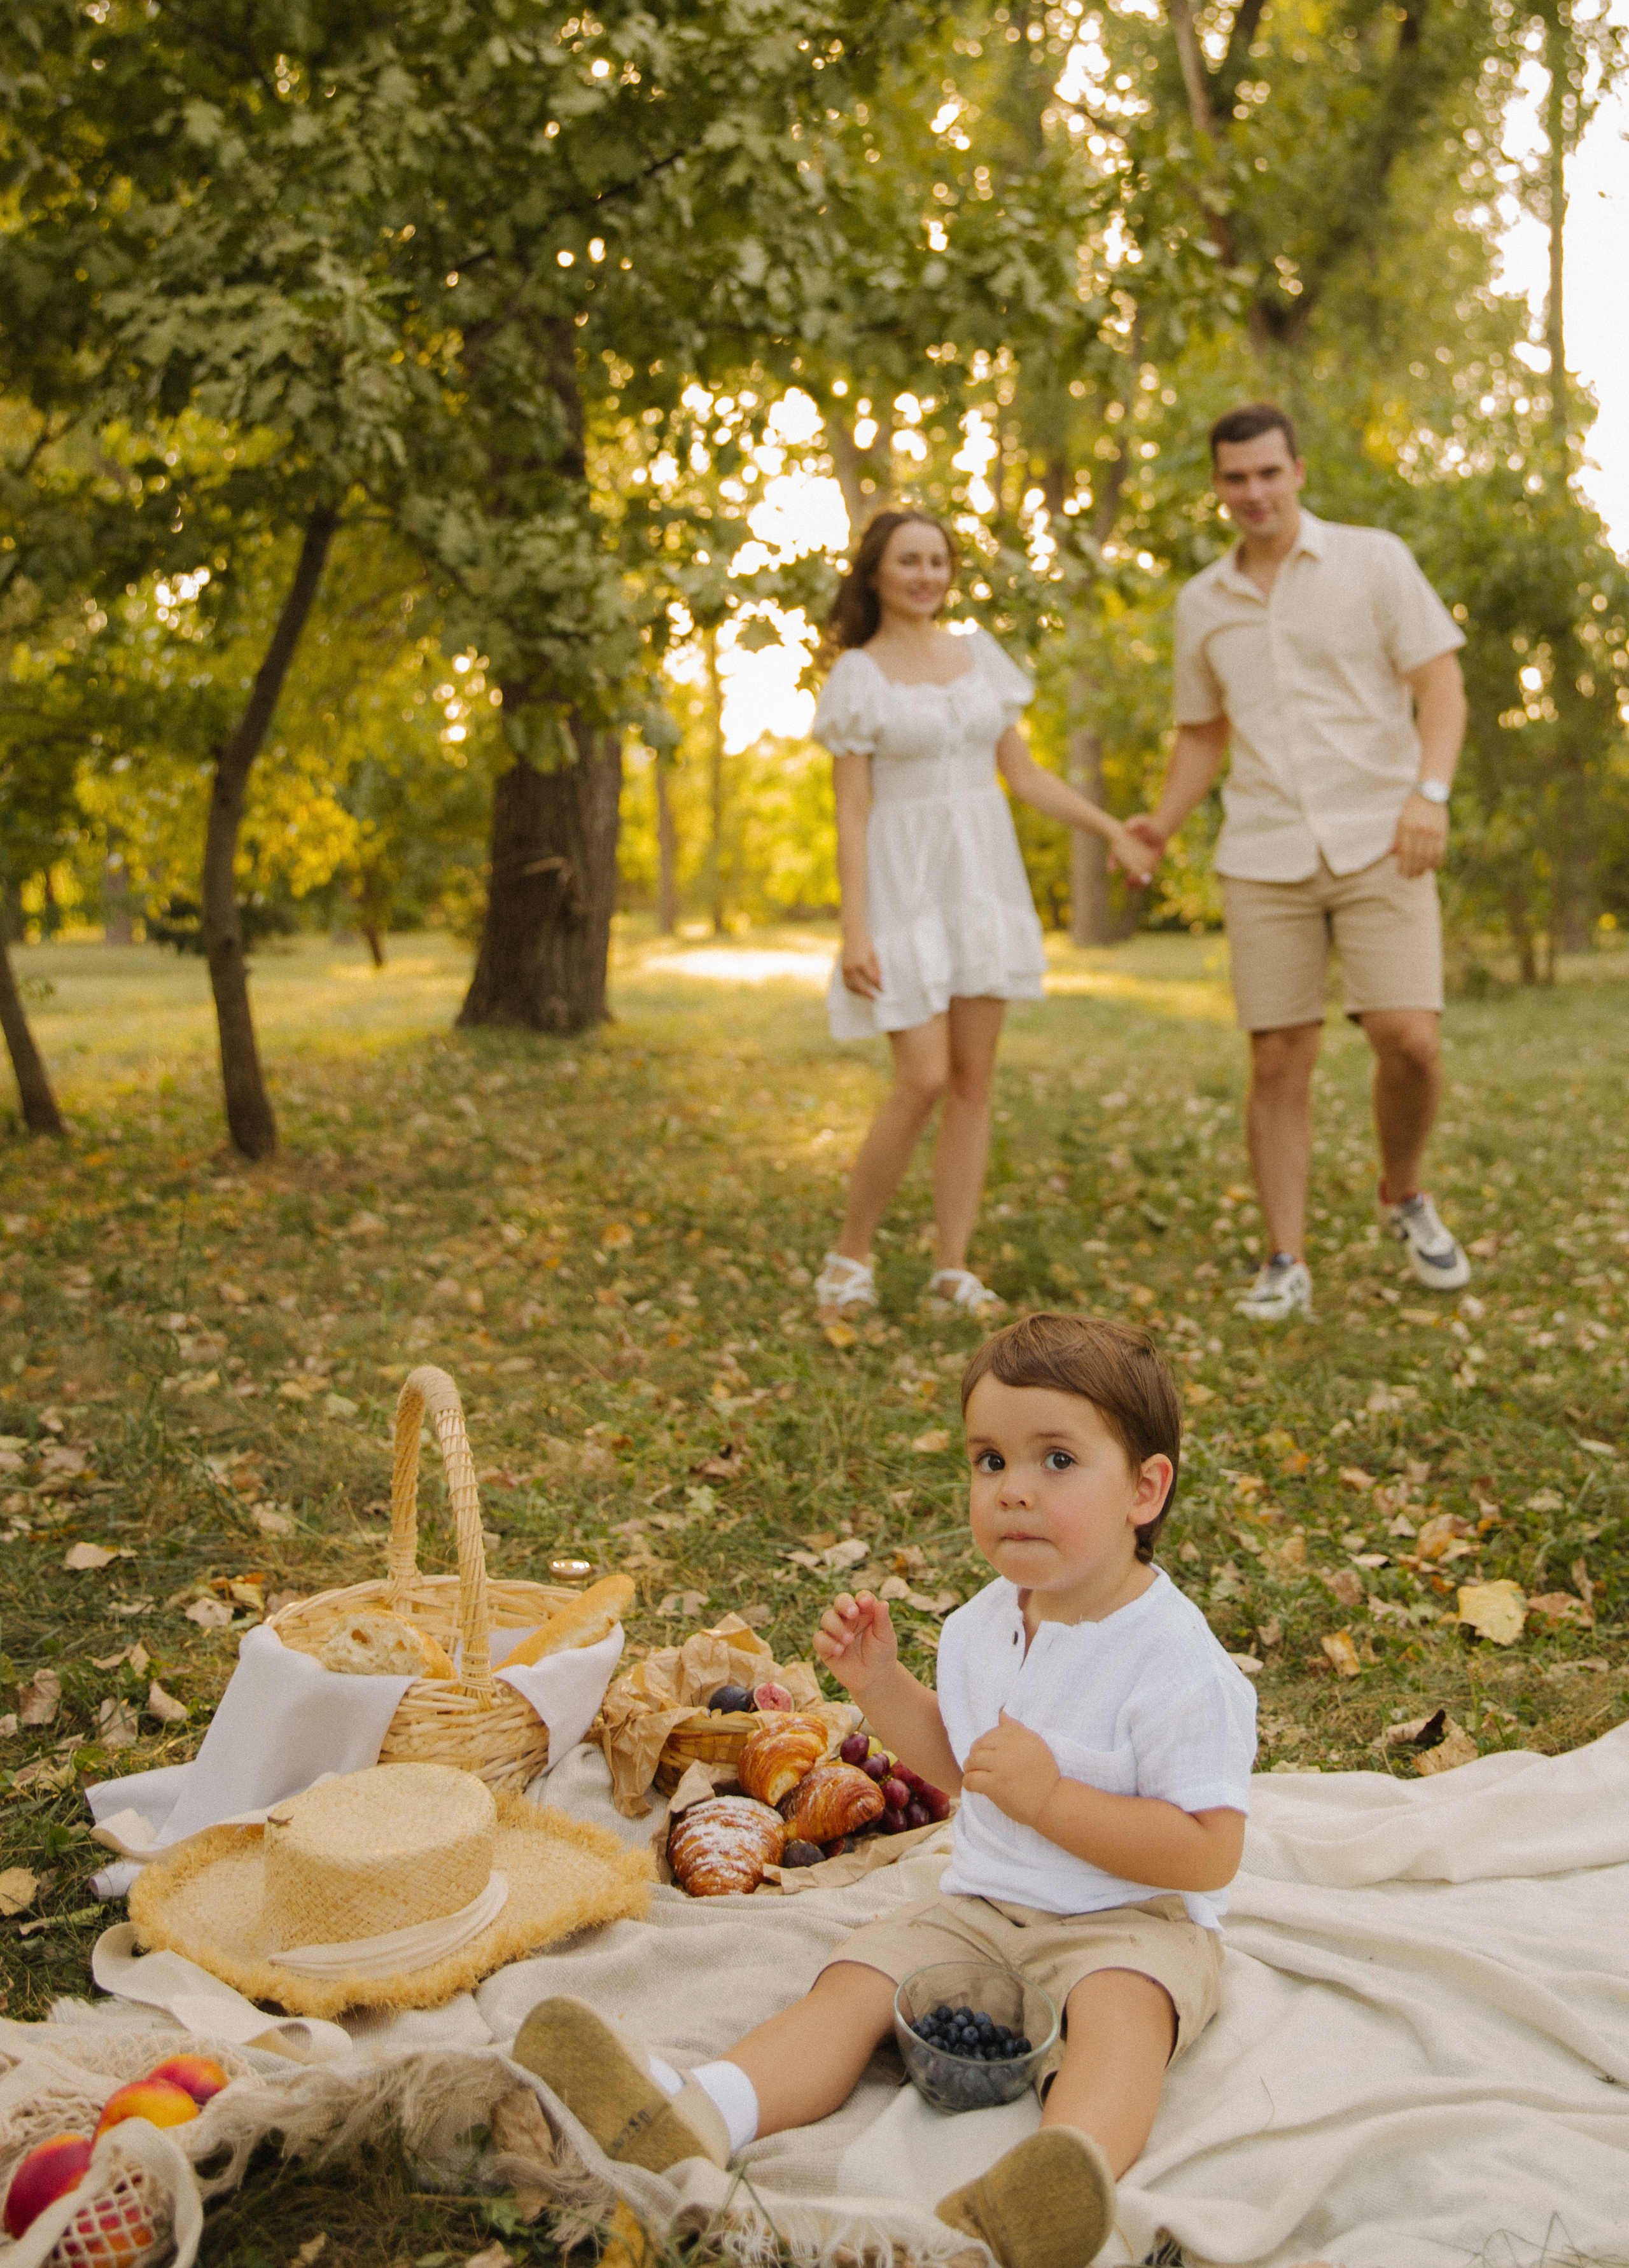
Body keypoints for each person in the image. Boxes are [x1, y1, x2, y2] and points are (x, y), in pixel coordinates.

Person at [515, 1314, 1257, 2268]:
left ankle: (1054, 2186)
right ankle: (700, 2109)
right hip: (983, 1903)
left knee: (1122, 2021)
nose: (1015, 1490)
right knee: (853, 1982)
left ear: (1144, 1490)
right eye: (990, 1460)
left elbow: (1208, 1853)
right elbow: (957, 1771)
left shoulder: (1176, 1665)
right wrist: (881, 1688)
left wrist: (1052, 1802)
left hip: (1133, 1918)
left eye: (1058, 1460)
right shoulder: (985, 1626)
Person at [1128, 403, 1472, 1324]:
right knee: (1279, 1056)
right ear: (1218, 487)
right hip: (1266, 849)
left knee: (1410, 1038)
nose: (1254, 493)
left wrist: (1427, 794)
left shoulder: (1373, 560)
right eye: (1235, 478)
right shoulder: (1202, 603)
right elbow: (1202, 735)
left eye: (1268, 473)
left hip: (1383, 837)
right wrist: (1160, 824)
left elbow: (1440, 684)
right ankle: (1285, 1258)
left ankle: (1402, 1192)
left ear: (1298, 472)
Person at [807, 508, 1156, 1324]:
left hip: (979, 883)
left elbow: (1025, 778)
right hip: (902, 887)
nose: (926, 574)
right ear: (875, 574)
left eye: (937, 560)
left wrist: (1113, 829)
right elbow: (850, 811)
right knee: (921, 1077)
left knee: (972, 1082)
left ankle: (951, 1268)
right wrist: (854, 928)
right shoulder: (858, 676)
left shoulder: (980, 660)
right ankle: (849, 1255)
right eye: (908, 561)